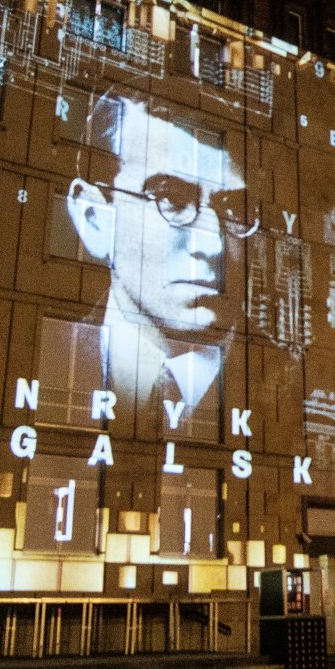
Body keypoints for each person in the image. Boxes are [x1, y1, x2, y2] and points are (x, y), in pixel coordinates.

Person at [64, 90, 256, 431]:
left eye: (234, 209)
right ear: (94, 218)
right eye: (170, 197)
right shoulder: (56, 353)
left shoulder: (278, 382)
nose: (213, 243)